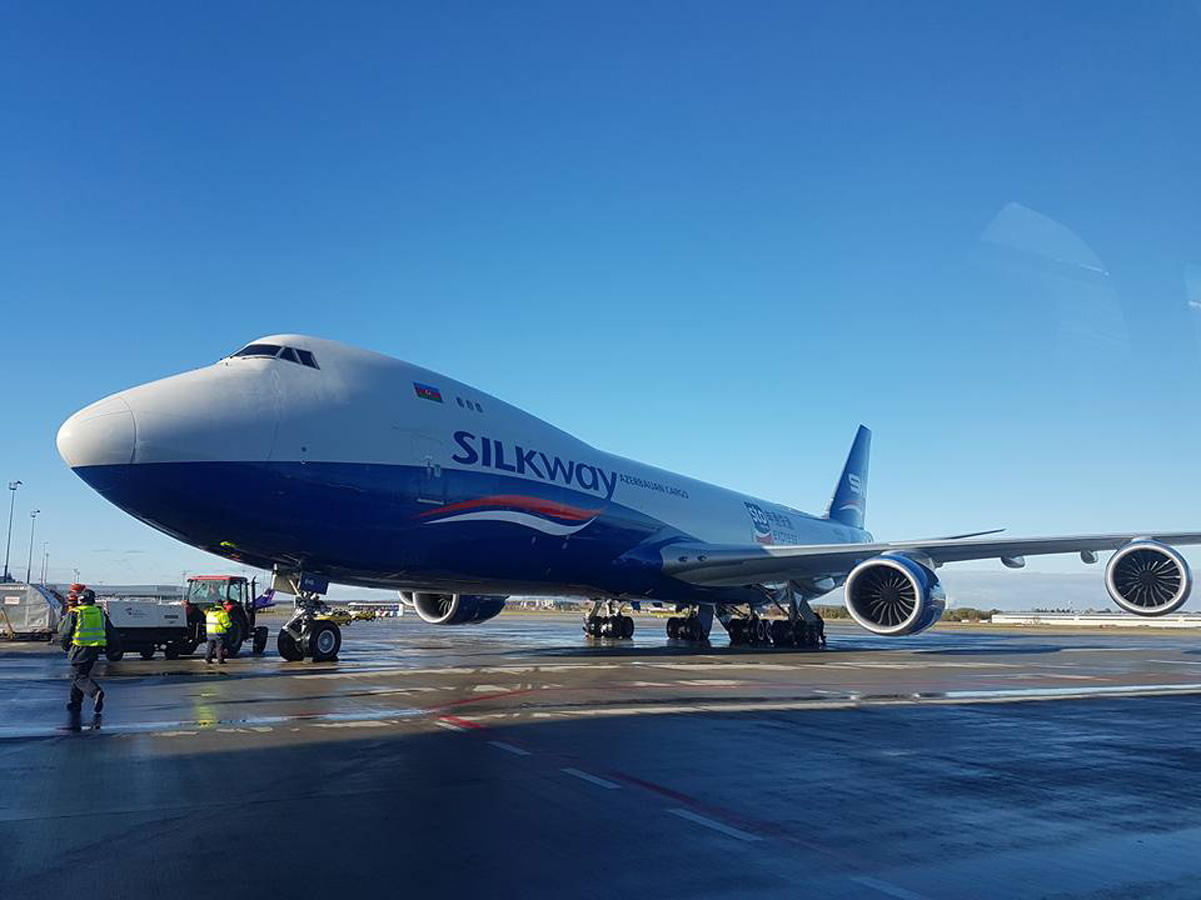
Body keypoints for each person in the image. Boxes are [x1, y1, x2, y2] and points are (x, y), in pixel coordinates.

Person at [59, 588, 113, 717]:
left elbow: (65, 632)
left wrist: (65, 645)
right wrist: (113, 649)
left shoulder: (76, 613)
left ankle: (95, 692)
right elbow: (111, 632)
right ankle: (75, 703)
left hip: (80, 648)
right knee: (80, 675)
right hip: (94, 649)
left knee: (79, 677)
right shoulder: (100, 613)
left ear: (81, 599)